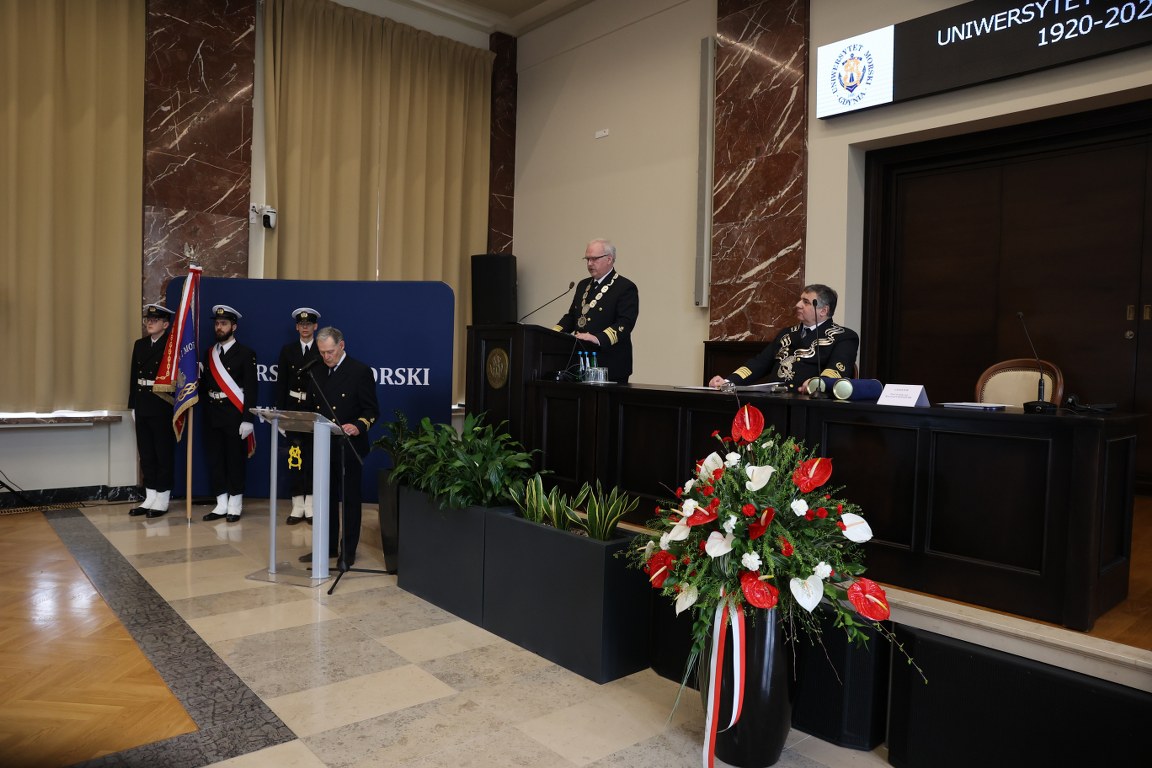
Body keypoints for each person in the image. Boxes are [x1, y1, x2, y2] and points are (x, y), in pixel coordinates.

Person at [300, 326, 379, 567]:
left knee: (350, 500)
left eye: (330, 352)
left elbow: (371, 410)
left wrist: (358, 426)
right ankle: (327, 547)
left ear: (342, 346)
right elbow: (311, 407)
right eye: (322, 352)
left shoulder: (359, 371)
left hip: (348, 446)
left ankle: (348, 551)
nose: (326, 357)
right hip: (322, 445)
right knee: (325, 500)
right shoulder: (316, 371)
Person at [708, 284, 859, 392]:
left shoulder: (844, 337)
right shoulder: (787, 333)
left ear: (823, 311)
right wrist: (728, 382)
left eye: (806, 302)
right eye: (800, 300)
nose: (798, 305)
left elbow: (836, 371)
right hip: (774, 400)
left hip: (808, 403)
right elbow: (760, 363)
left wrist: (816, 383)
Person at [552, 239, 639, 383]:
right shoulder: (583, 285)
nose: (589, 264)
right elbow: (572, 316)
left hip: (610, 363)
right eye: (587, 259)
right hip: (581, 362)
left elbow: (625, 323)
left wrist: (598, 338)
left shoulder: (625, 287)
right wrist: (553, 333)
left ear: (609, 259)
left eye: (594, 259)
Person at [201, 304, 258, 523]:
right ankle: (221, 503)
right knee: (215, 459)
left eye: (224, 323)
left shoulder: (246, 354)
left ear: (234, 327)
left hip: (235, 414)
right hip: (212, 414)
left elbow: (251, 389)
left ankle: (235, 503)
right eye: (217, 323)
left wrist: (248, 420)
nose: (219, 327)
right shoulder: (210, 353)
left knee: (235, 460)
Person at [128, 303, 176, 519]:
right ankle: (150, 496)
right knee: (146, 453)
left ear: (165, 324)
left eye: (155, 320)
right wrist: (132, 405)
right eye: (148, 319)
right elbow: (133, 377)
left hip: (161, 403)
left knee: (162, 453)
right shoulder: (140, 345)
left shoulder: (171, 347)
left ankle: (163, 498)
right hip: (142, 402)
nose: (150, 323)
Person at [275, 307, 323, 525]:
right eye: (301, 324)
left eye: (309, 324)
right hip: (293, 408)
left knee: (312, 458)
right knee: (295, 457)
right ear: (296, 327)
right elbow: (281, 383)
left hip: (313, 409)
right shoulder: (288, 350)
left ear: (315, 326)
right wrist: (281, 414)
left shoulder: (321, 350)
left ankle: (311, 505)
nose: (305, 327)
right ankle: (297, 504)